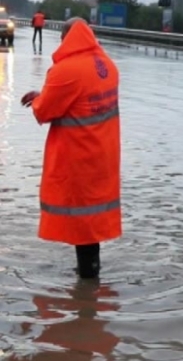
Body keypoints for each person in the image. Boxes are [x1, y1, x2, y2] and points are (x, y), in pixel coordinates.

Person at [20, 18, 122, 279]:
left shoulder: (65, 70)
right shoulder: (108, 66)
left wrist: (37, 100)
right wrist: (42, 95)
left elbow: (44, 111)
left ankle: (86, 287)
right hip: (104, 155)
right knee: (93, 219)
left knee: (82, 219)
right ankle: (91, 287)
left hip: (78, 157)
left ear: (66, 38)